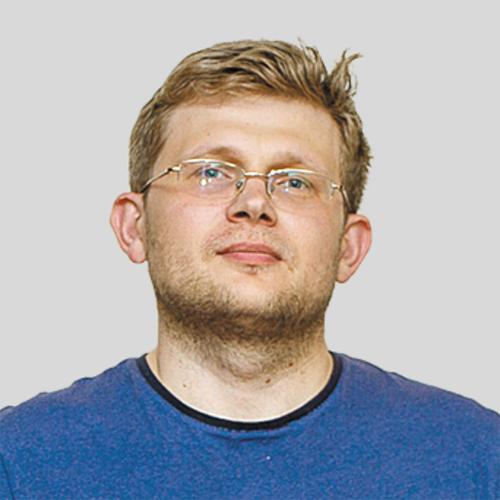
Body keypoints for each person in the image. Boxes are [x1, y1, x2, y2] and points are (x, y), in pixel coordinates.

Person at [1, 40, 499, 499]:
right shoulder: (18, 463)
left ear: (349, 247)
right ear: (135, 227)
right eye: (210, 172)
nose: (254, 203)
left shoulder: (477, 460)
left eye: (296, 182)